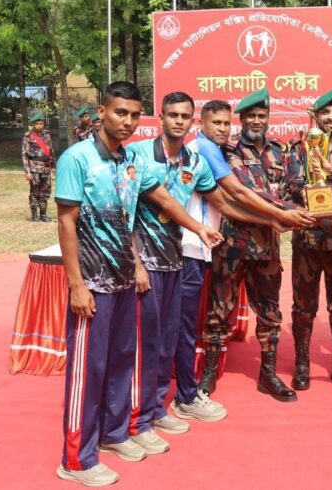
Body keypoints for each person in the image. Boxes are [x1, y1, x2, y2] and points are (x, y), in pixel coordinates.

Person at [53, 81, 223, 487]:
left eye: (133, 114)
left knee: (121, 362)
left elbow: (161, 199)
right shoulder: (77, 159)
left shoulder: (132, 160)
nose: (127, 121)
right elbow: (66, 223)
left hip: (125, 282)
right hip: (92, 284)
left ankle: (113, 435)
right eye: (119, 113)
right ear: (101, 112)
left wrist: (198, 227)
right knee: (88, 371)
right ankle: (76, 459)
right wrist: (76, 284)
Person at [126, 92, 276, 442]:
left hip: (188, 255)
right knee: (152, 337)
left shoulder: (196, 160)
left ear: (191, 120)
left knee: (176, 333)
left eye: (184, 116)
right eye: (173, 115)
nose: (179, 121)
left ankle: (173, 402)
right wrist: (134, 262)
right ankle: (144, 413)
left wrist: (274, 220)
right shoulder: (139, 155)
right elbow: (127, 209)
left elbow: (223, 202)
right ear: (160, 117)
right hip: (154, 258)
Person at [195, 96, 315, 401]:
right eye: (251, 116)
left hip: (267, 248)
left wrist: (311, 201)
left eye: (262, 116)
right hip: (231, 244)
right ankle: (209, 372)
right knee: (219, 311)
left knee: (270, 312)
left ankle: (268, 373)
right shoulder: (225, 149)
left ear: (268, 118)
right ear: (242, 119)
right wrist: (278, 211)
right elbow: (230, 192)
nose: (257, 121)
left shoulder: (280, 151)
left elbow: (293, 188)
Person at [284, 87, 332, 392]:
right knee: (303, 307)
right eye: (324, 112)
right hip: (307, 239)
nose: (330, 117)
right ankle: (302, 364)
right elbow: (288, 183)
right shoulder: (299, 148)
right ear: (315, 116)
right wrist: (302, 193)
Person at [22, 112, 54, 222]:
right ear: (33, 125)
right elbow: (24, 155)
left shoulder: (47, 135)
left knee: (45, 191)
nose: (40, 125)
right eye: (37, 124)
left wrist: (53, 166)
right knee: (34, 191)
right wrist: (27, 171)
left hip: (46, 168)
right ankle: (35, 216)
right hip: (34, 168)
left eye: (41, 123)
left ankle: (43, 215)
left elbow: (51, 151)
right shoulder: (28, 136)